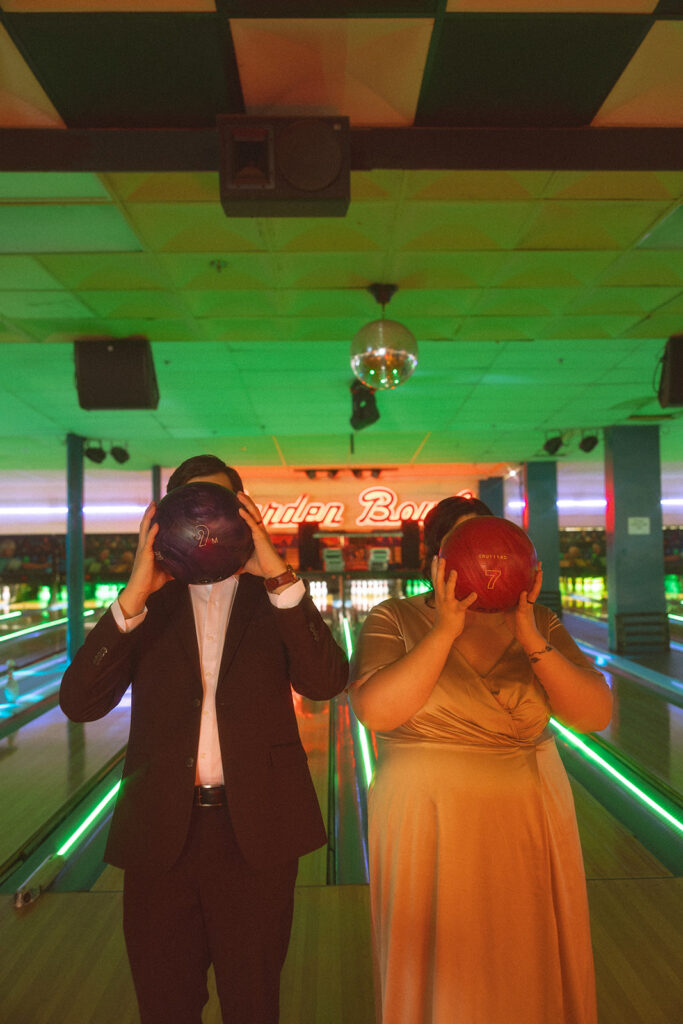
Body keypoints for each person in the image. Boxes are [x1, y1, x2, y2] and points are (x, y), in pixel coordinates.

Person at [60, 454, 348, 1024]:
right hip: (160, 840)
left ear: (244, 514)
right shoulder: (148, 605)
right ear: (165, 519)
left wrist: (278, 574)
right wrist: (133, 594)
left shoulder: (274, 598)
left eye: (219, 507)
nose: (205, 522)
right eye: (191, 508)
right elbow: (80, 703)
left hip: (257, 838)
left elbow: (326, 680)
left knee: (254, 1006)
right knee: (165, 1008)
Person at [349, 495, 612, 1024]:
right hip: (427, 818)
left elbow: (594, 713)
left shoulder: (538, 620)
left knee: (525, 952)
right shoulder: (395, 616)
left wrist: (532, 637)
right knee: (442, 962)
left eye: (498, 550)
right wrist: (445, 630)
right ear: (435, 562)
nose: (487, 565)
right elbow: (375, 710)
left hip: (528, 816)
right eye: (470, 549)